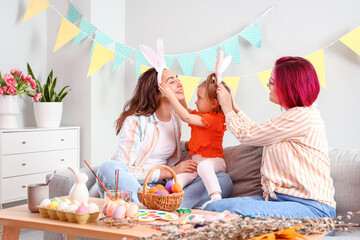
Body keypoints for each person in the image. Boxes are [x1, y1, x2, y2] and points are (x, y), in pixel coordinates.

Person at [205, 56, 336, 219]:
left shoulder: (302, 117)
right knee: (213, 207)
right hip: (277, 201)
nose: (267, 85)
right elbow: (257, 132)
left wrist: (227, 109)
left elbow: (247, 135)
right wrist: (233, 106)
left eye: (272, 83)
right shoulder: (293, 116)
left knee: (226, 213)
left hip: (313, 209)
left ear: (288, 88)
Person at [96, 67, 233, 208]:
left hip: (163, 188)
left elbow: (163, 144)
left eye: (177, 78)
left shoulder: (174, 120)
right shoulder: (136, 121)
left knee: (224, 180)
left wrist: (185, 146)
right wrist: (169, 172)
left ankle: (169, 205)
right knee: (109, 168)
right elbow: (124, 169)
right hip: (139, 185)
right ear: (158, 91)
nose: (180, 83)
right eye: (172, 82)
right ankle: (147, 205)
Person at [159, 73, 233, 209]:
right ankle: (169, 200)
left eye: (199, 98)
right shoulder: (200, 116)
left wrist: (170, 96)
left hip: (214, 163)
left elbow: (186, 117)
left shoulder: (214, 119)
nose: (196, 102)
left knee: (204, 167)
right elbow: (185, 110)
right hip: (197, 166)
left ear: (213, 103)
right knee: (178, 179)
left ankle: (216, 198)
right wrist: (178, 96)